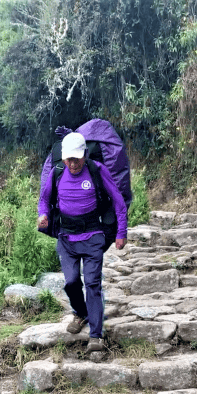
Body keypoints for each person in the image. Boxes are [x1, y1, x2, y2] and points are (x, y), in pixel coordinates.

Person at [37, 132, 127, 352]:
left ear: (85, 155)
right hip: (66, 238)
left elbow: (118, 201)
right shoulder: (58, 173)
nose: (73, 163)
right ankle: (81, 313)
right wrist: (43, 215)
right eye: (69, 159)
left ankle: (96, 337)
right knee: (71, 282)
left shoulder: (97, 171)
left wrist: (121, 232)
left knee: (93, 284)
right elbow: (44, 199)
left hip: (93, 236)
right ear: (64, 158)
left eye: (76, 158)